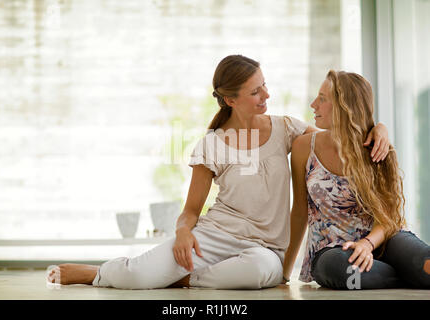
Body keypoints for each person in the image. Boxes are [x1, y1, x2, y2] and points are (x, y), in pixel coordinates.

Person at [47, 56, 390, 289]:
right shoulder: (211, 144)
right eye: (256, 91)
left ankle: (183, 280)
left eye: (264, 85)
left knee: (258, 273)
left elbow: (341, 137)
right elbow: (190, 211)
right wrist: (183, 233)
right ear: (231, 100)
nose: (266, 95)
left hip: (264, 249)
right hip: (214, 236)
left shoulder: (286, 128)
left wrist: (381, 129)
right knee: (138, 275)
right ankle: (95, 273)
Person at [282, 70, 430, 289]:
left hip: (383, 241)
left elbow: (388, 215)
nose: (314, 104)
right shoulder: (304, 148)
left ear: (345, 107)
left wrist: (367, 244)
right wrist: (284, 273)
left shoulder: (377, 148)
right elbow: (300, 212)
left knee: (425, 263)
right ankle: (408, 275)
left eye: (323, 99)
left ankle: (413, 271)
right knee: (344, 272)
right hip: (332, 250)